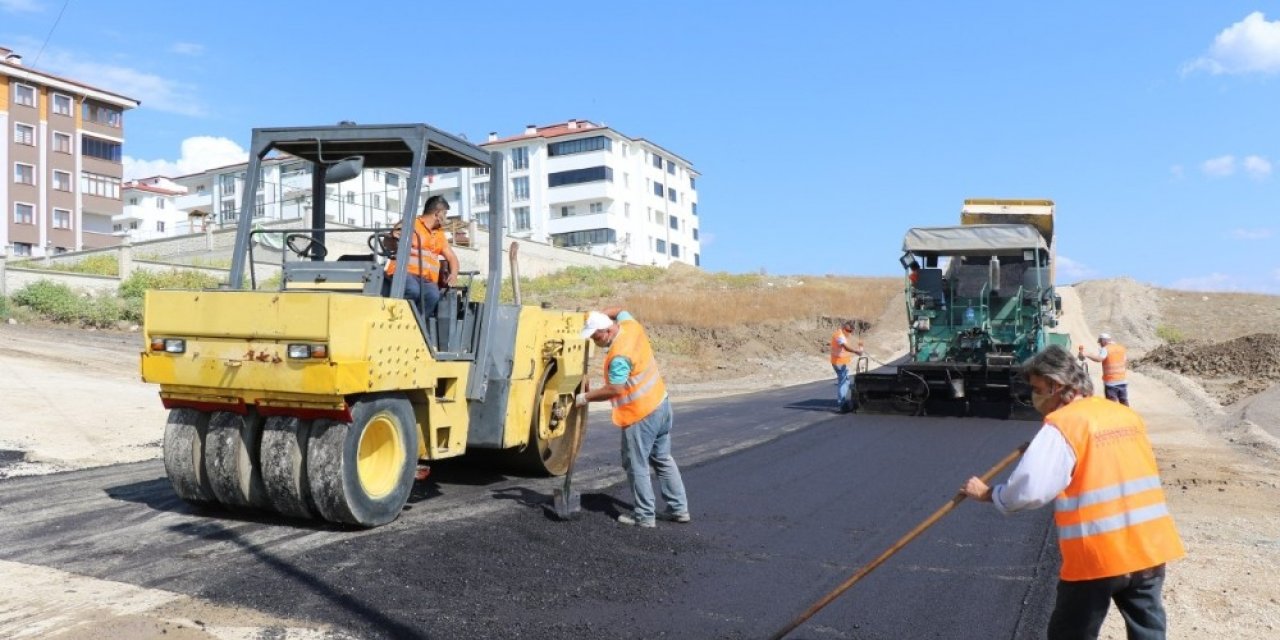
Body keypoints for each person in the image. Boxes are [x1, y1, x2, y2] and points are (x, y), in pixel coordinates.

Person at [963, 344, 1184, 640]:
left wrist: (989, 494)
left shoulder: (1064, 425)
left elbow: (1029, 490)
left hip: (1098, 555)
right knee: (1148, 632)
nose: (1034, 396)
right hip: (1149, 549)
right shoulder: (1124, 415)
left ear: (1055, 386)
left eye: (1037, 388)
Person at [576, 306, 690, 528]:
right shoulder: (631, 325)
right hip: (661, 403)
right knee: (662, 458)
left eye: (594, 335)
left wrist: (584, 398)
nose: (593, 340)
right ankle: (678, 509)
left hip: (641, 415)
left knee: (636, 464)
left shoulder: (619, 355)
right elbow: (620, 309)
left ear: (607, 331)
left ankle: (644, 516)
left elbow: (615, 389)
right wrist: (596, 313)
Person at [384, 195, 459, 317]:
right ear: (437, 214)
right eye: (445, 214)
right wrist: (393, 237)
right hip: (404, 273)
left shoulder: (439, 234)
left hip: (426, 280)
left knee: (433, 295)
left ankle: (418, 325)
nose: (446, 218)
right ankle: (397, 318)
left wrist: (454, 274)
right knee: (412, 290)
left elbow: (452, 257)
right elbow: (388, 243)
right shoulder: (410, 224)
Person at [1080, 332, 1129, 405]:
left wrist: (1087, 354)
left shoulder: (1106, 349)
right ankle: (1127, 415)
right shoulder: (1120, 348)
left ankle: (1112, 416)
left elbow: (1099, 359)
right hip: (1123, 380)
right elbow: (1125, 361)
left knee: (1111, 404)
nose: (1100, 344)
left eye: (1100, 342)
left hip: (1111, 382)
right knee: (1124, 401)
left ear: (1104, 341)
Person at [830, 320, 865, 413]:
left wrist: (860, 346)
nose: (850, 333)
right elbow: (845, 347)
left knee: (846, 381)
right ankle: (842, 404)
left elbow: (848, 345)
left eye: (851, 331)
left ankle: (853, 394)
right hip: (838, 363)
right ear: (844, 328)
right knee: (843, 382)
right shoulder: (839, 335)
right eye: (849, 331)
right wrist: (856, 351)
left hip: (841, 362)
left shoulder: (844, 334)